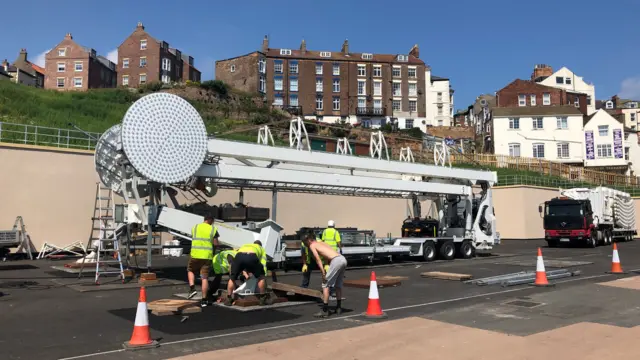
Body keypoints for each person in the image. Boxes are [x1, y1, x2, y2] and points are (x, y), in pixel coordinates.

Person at [302, 232, 348, 318]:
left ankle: (325, 310)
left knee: (325, 284)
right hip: (342, 259)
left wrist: (323, 273)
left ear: (309, 240)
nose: (305, 245)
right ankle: (338, 308)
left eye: (305, 242)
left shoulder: (312, 245)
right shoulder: (322, 243)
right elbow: (329, 255)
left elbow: (318, 260)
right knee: (338, 285)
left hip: (336, 261)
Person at [187, 214, 220, 307]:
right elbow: (216, 244)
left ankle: (192, 288)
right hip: (207, 256)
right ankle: (204, 300)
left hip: (195, 254)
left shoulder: (195, 227)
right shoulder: (213, 229)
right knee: (204, 278)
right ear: (211, 220)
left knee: (190, 270)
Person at [225, 240, 271, 306]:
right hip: (252, 256)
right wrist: (263, 274)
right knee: (261, 277)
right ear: (260, 245)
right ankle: (262, 299)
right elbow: (263, 263)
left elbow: (242, 260)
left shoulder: (245, 245)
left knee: (232, 278)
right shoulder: (261, 248)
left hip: (239, 256)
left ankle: (229, 299)